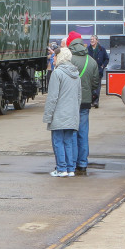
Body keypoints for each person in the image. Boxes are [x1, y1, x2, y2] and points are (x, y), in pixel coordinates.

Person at [62, 31, 100, 175]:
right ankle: (82, 163)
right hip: (85, 101)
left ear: (70, 43)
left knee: (71, 132)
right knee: (83, 132)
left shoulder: (68, 59)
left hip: (70, 101)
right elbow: (96, 82)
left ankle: (71, 163)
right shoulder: (91, 61)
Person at [42, 46, 80, 177]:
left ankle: (61, 168)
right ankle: (70, 169)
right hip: (72, 114)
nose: (53, 59)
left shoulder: (57, 73)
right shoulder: (76, 74)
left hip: (59, 114)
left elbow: (52, 97)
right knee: (68, 142)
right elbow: (78, 96)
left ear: (60, 57)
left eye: (55, 57)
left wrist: (48, 116)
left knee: (58, 142)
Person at [87, 35, 109, 107]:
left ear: (97, 40)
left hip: (98, 71)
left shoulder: (101, 49)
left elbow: (106, 59)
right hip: (90, 71)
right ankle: (90, 101)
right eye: (91, 40)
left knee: (97, 87)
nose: (91, 41)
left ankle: (96, 101)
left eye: (93, 39)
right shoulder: (87, 49)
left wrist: (103, 66)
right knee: (90, 87)